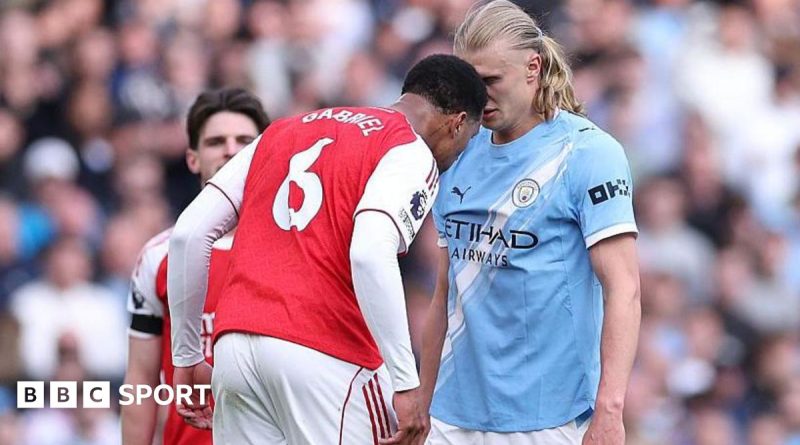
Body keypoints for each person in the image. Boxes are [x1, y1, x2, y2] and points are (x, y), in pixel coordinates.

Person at [167, 54, 487, 445]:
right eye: (468, 141)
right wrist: (405, 383)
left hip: (235, 350)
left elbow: (189, 233)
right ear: (456, 123)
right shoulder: (408, 149)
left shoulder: (285, 129)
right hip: (328, 357)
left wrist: (185, 357)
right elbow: (370, 252)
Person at [419, 2, 641, 444]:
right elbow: (445, 290)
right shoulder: (456, 151)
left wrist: (610, 409)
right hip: (451, 415)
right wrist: (420, 403)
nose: (478, 98)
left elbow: (625, 287)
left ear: (532, 68)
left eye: (490, 82)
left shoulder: (587, 154)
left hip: (548, 419)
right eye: (469, 84)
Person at [120, 87, 270, 445]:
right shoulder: (159, 257)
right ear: (192, 159)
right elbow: (141, 380)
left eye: (245, 141)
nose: (231, 150)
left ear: (265, 155)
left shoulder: (299, 252)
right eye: (216, 141)